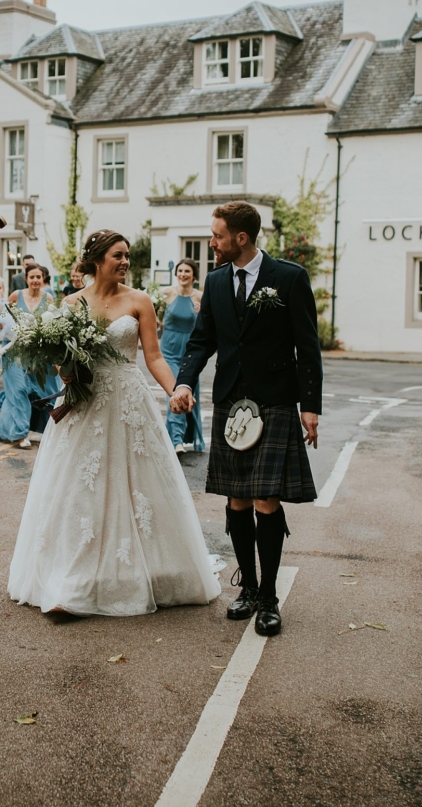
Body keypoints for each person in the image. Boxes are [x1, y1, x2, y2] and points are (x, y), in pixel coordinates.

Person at [7, 231, 221, 616]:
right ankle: (71, 580)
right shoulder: (71, 303)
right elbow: (59, 358)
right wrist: (65, 371)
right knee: (79, 488)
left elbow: (153, 357)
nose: (124, 262)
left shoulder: (140, 301)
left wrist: (176, 389)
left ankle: (152, 571)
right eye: (117, 255)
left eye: (127, 256)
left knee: (135, 484)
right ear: (97, 259)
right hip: (84, 403)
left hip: (128, 401)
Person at [170, 201, 321, 638]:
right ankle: (249, 587)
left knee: (265, 499)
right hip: (232, 400)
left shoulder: (289, 278)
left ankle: (270, 597)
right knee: (236, 499)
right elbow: (201, 343)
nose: (211, 243)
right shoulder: (216, 282)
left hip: (274, 401)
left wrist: (309, 406)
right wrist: (184, 383)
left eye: (216, 236)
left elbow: (307, 347)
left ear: (241, 238)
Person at [0, 261, 59, 448]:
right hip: (13, 349)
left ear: (43, 279)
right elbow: (2, 318)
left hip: (37, 352)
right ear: (26, 279)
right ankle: (20, 433)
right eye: (32, 277)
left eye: (38, 277)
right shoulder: (15, 295)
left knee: (41, 392)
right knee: (18, 389)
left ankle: (44, 429)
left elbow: (52, 325)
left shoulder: (49, 298)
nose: (35, 280)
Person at [160, 259, 206, 454]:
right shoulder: (166, 293)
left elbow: (208, 326)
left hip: (189, 351)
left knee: (189, 395)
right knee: (175, 391)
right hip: (169, 350)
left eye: (187, 271)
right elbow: (153, 315)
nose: (183, 274)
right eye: (180, 271)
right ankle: (177, 440)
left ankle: (178, 437)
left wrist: (201, 314)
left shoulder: (201, 297)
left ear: (194, 275)